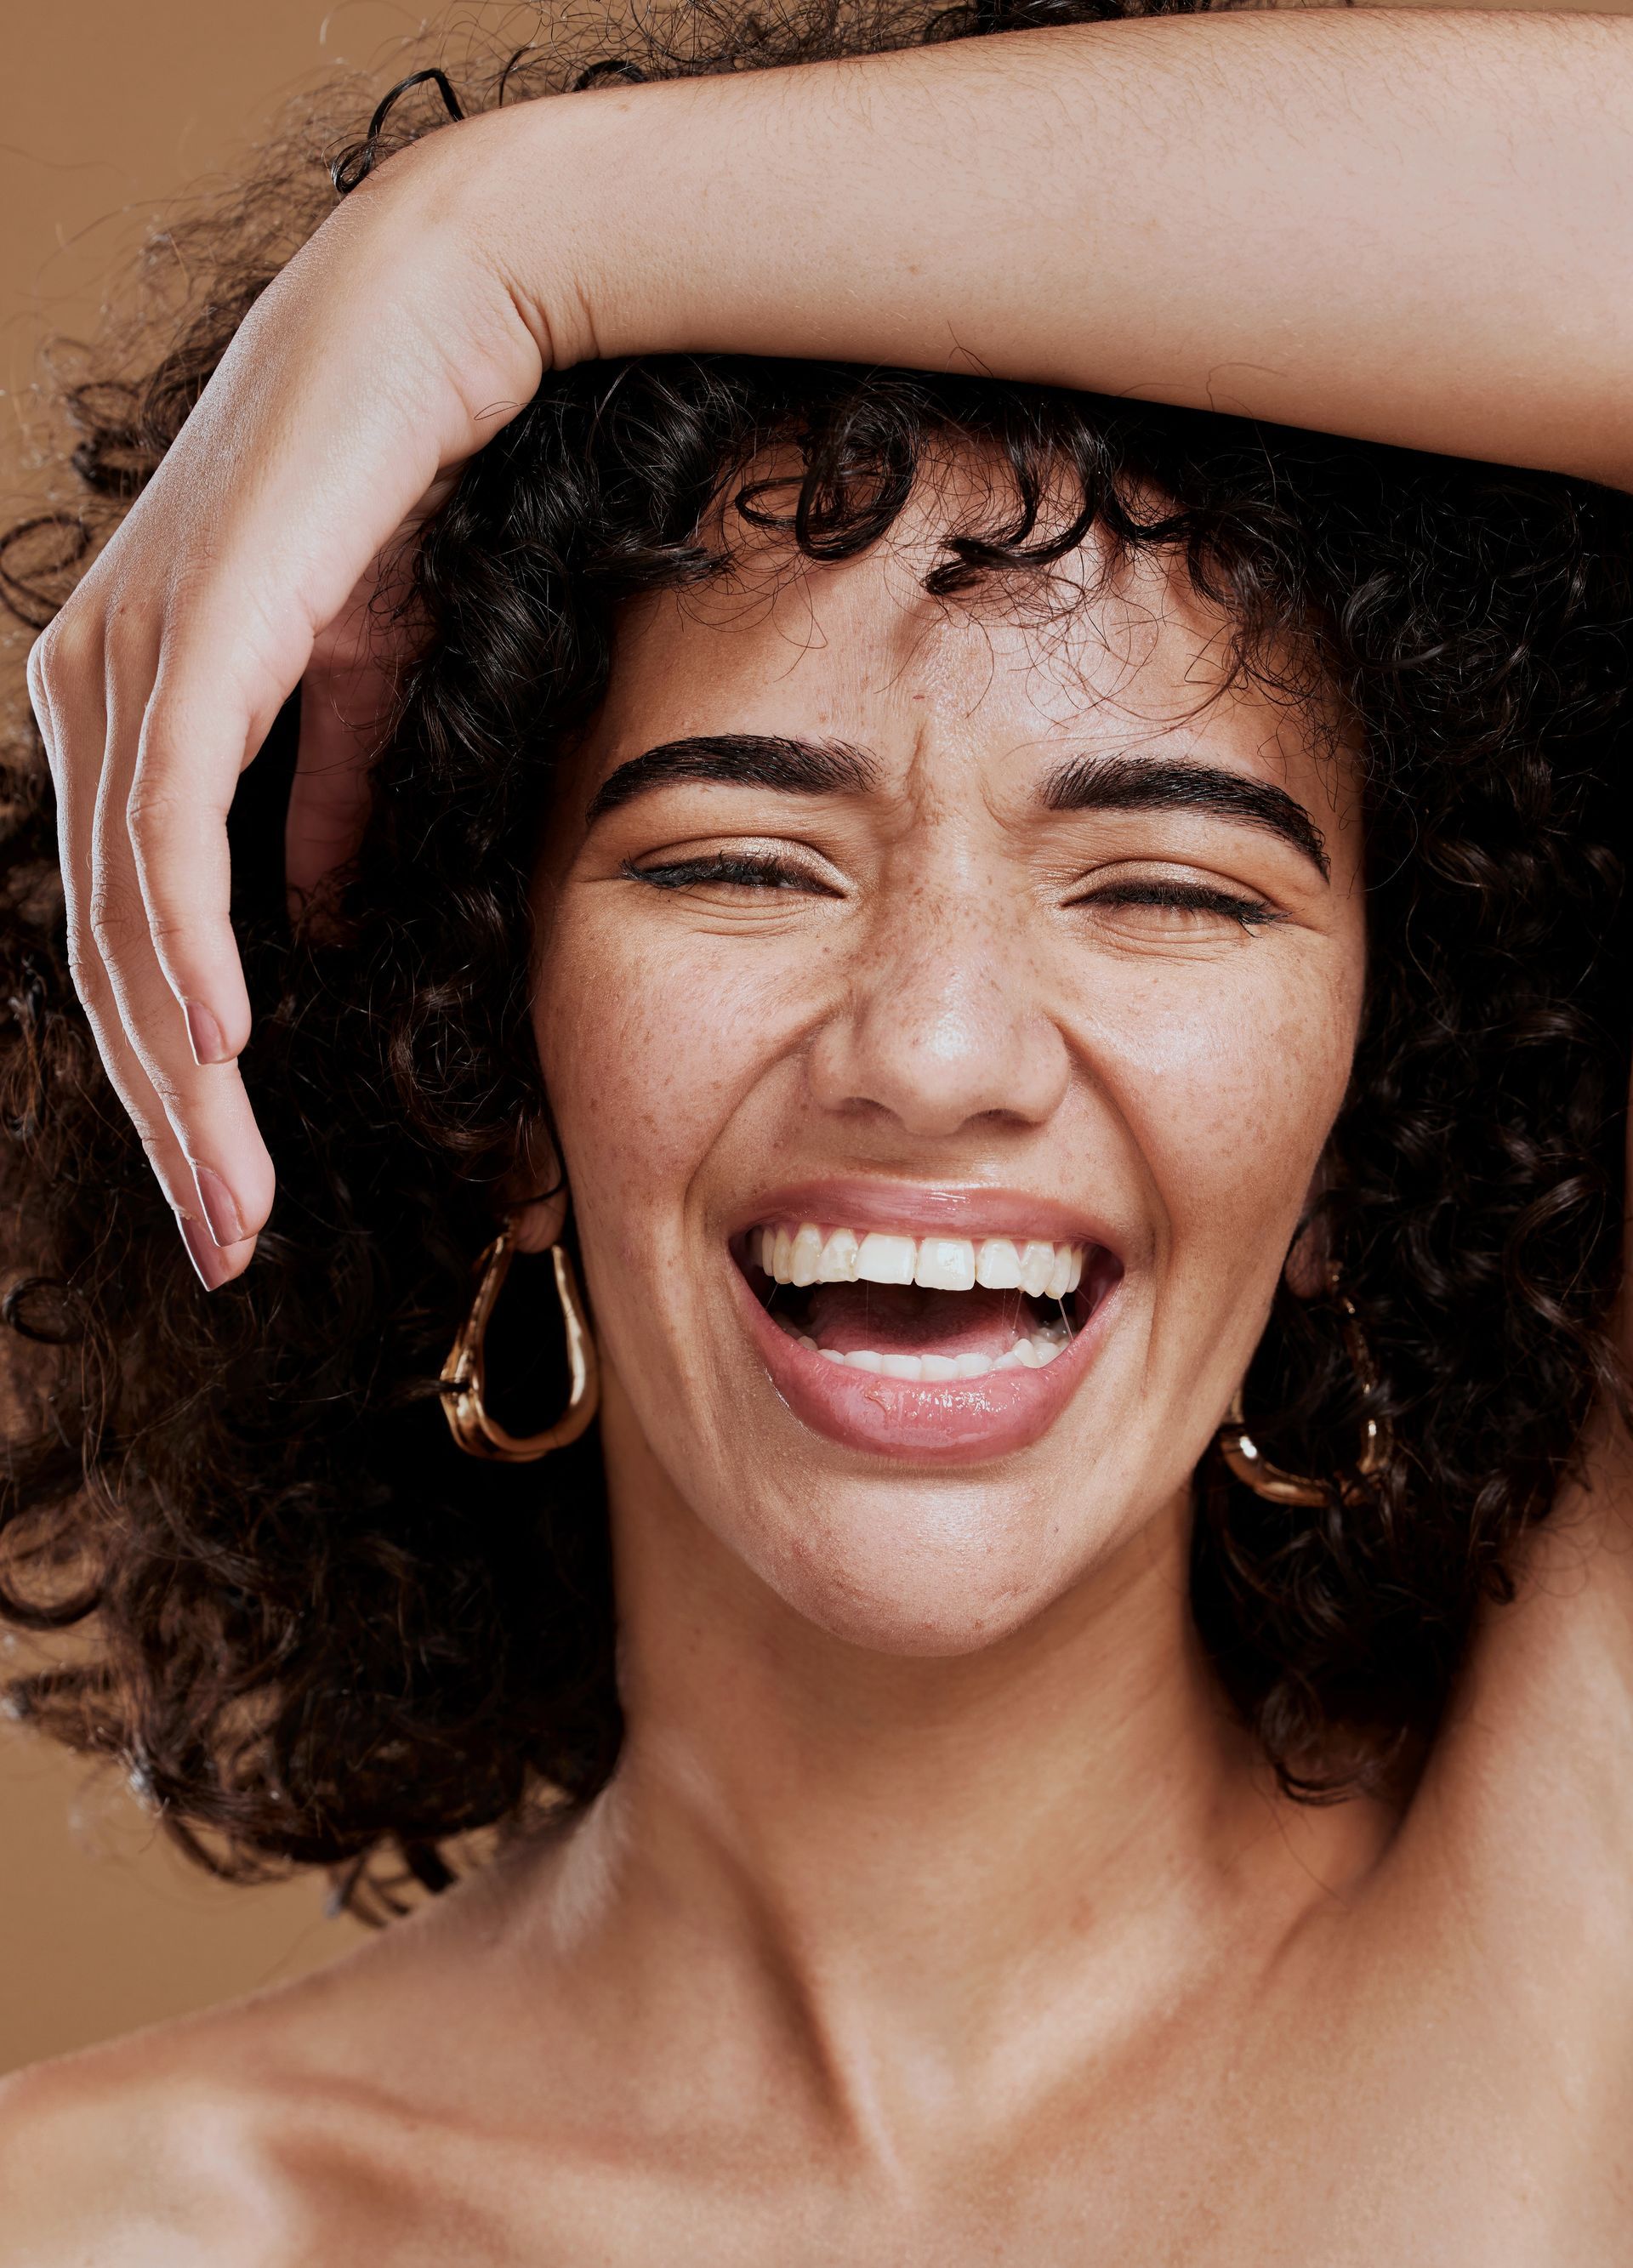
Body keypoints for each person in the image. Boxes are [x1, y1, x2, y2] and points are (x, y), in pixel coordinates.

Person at [2, 0, 1631, 2254]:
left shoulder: (1591, 1908)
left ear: (1371, 1107)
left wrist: (508, 245)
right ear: (488, 1070)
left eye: (1169, 884)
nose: (937, 1044)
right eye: (738, 862)